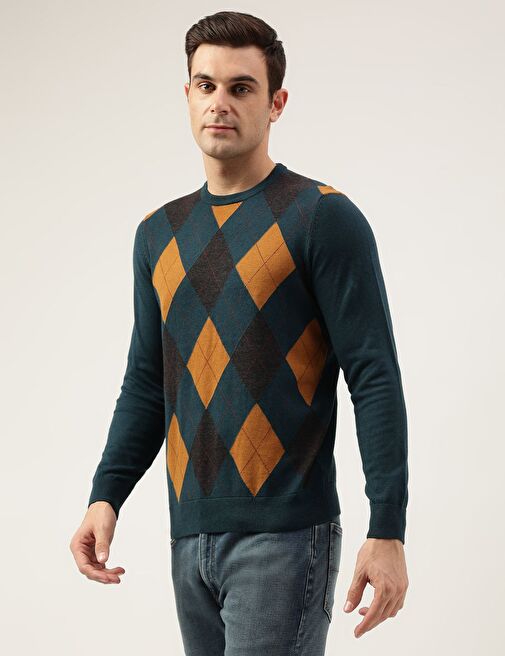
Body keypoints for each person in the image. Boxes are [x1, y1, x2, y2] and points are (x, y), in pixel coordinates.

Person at [69, 10, 409, 654]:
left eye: (241, 87)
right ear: (187, 95)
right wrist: (105, 495)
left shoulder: (322, 218)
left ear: (276, 103)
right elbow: (147, 381)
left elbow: (375, 377)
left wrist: (387, 527)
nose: (219, 102)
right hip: (188, 537)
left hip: (285, 537)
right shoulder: (159, 234)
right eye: (206, 85)